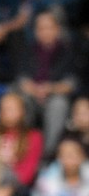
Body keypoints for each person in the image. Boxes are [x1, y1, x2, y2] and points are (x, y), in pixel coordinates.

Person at [16, 10, 76, 158]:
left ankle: (48, 154)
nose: (45, 32)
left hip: (55, 95)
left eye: (49, 27)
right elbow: (21, 77)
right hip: (31, 95)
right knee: (18, 100)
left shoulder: (69, 50)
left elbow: (72, 82)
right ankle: (21, 150)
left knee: (58, 105)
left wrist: (50, 89)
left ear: (57, 29)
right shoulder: (27, 49)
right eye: (40, 28)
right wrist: (34, 89)